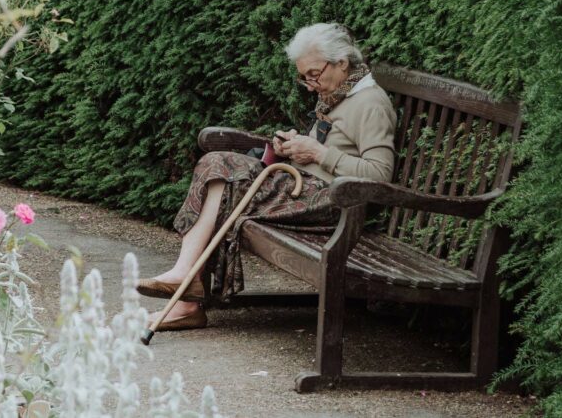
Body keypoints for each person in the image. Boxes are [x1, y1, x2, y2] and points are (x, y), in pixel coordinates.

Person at [137, 22, 397, 330]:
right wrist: (291, 149)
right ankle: (186, 286)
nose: (310, 84)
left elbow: (380, 175)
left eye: (314, 74)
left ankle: (186, 296)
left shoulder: (370, 102)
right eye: (304, 77)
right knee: (216, 166)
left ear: (342, 62)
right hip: (305, 189)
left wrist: (317, 153)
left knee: (224, 175)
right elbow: (329, 150)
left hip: (335, 204)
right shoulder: (338, 93)